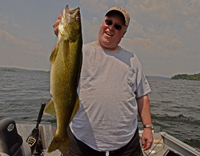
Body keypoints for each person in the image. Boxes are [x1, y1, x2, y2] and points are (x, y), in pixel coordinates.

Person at [52, 6, 153, 156]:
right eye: (108, 21)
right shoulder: (81, 52)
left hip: (126, 145)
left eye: (117, 26)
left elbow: (142, 95)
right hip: (81, 142)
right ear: (102, 23)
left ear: (123, 33)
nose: (111, 27)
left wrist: (148, 127)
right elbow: (61, 63)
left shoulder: (132, 60)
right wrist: (60, 36)